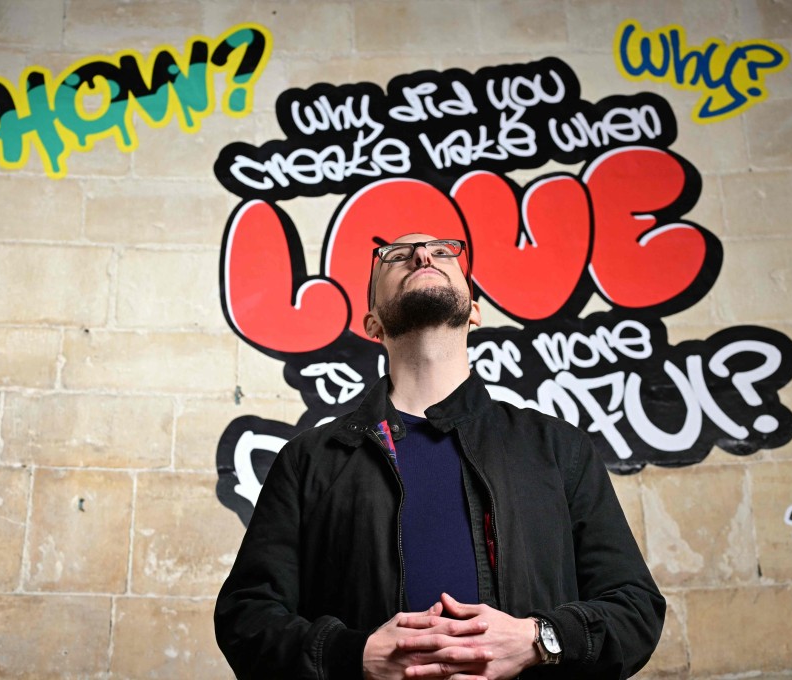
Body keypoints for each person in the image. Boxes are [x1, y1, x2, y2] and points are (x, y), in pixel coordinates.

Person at [215, 233, 665, 680]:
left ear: (473, 310)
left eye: (444, 252)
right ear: (373, 325)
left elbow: (636, 608)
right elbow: (246, 617)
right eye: (395, 256)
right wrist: (353, 655)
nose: (422, 255)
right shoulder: (309, 460)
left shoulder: (558, 448)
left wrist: (539, 639)